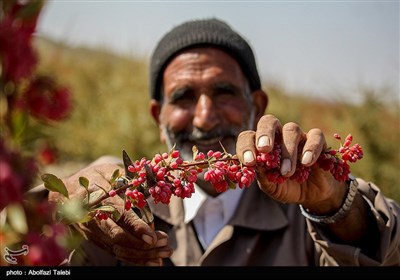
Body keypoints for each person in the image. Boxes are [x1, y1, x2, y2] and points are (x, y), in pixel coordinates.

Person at [47, 18, 400, 266]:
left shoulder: (306, 218)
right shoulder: (122, 209)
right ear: (158, 117)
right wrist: (60, 204)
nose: (204, 117)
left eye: (224, 93)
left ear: (257, 105)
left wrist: (337, 206)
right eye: (184, 97)